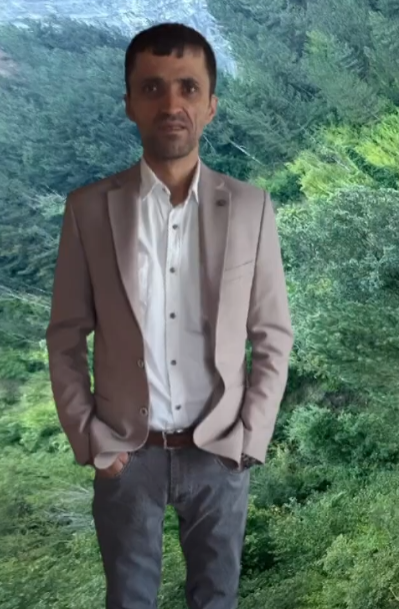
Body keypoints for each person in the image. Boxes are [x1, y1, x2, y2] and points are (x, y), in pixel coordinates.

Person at [45, 23, 293, 607]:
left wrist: (248, 440)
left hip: (219, 451)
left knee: (217, 601)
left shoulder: (252, 208)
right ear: (129, 102)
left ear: (211, 105)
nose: (172, 104)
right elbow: (64, 337)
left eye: (188, 87)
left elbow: (273, 334)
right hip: (127, 454)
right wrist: (92, 440)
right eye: (153, 89)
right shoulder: (88, 210)